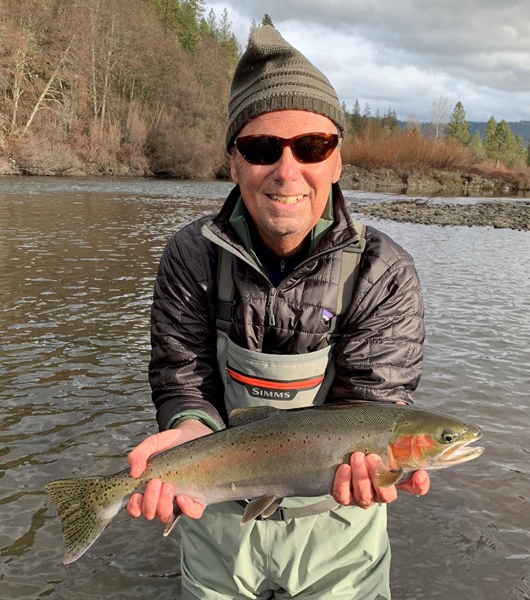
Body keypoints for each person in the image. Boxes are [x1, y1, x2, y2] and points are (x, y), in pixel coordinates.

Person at [127, 25, 430, 600]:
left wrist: (370, 471)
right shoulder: (190, 256)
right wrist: (187, 427)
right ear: (234, 163)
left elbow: (372, 405)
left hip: (340, 534)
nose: (287, 171)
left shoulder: (383, 271)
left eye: (312, 146)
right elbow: (181, 377)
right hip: (216, 514)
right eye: (263, 148)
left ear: (337, 159)